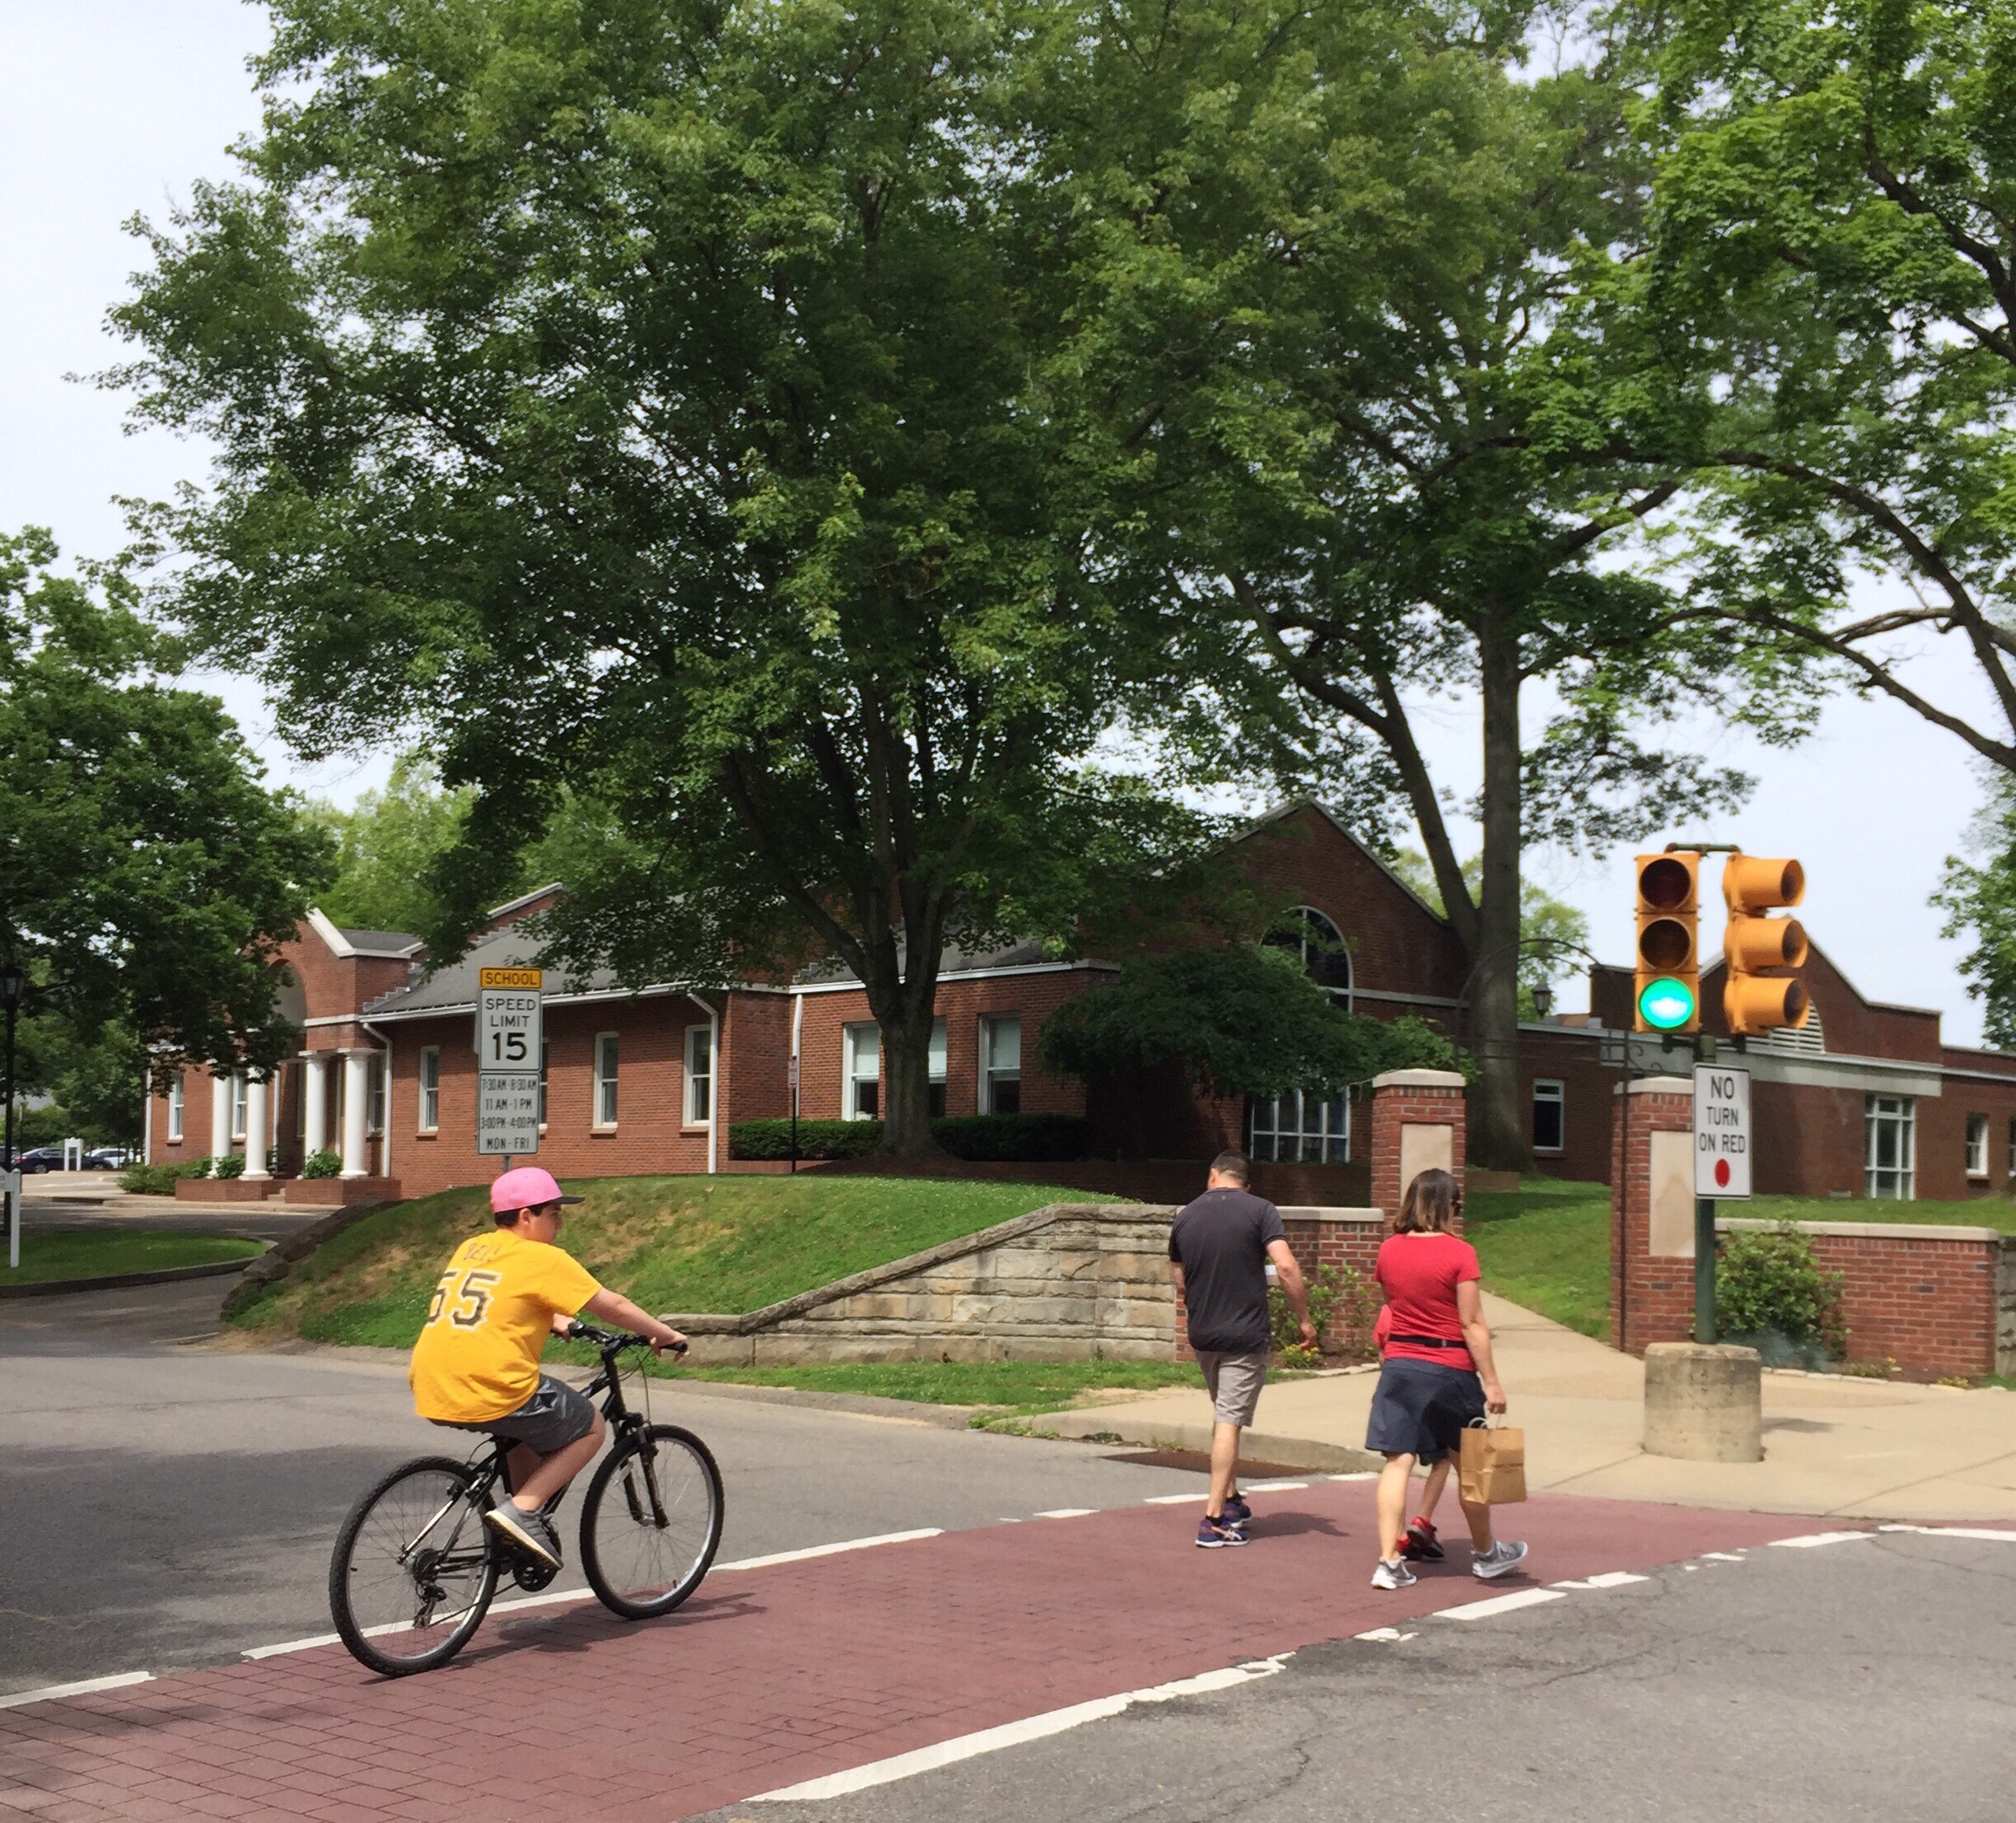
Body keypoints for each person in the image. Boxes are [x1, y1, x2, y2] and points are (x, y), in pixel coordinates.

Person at [409, 1164, 687, 1571]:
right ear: (526, 1216)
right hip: (492, 1385)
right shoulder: (542, 1257)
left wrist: (554, 1316)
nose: (560, 1225)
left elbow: (497, 1296)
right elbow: (614, 1306)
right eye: (554, 1215)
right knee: (591, 1426)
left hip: (433, 1382)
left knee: (521, 1429)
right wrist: (663, 1333)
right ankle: (522, 1510)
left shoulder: (473, 1248)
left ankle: (519, 1530)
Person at [1365, 1167, 1526, 1588]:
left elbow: (1393, 1307)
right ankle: (1488, 1552)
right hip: (1450, 1370)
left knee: (1396, 1462)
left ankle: (1388, 1562)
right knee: (1469, 1467)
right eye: (1457, 1205)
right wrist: (1491, 1380)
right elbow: (1471, 1322)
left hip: (1399, 1367)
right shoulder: (1460, 1253)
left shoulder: (1389, 1251)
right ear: (1448, 1206)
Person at [1169, 1149, 1316, 1547]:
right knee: (1230, 1421)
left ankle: (1232, 1499)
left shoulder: (1185, 1215)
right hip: (1244, 1335)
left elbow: (1179, 1275)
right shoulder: (1260, 1210)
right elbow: (1285, 1266)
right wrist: (1303, 1318)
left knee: (1223, 1417)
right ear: (1246, 1185)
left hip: (1204, 1333)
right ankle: (1213, 1519)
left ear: (1212, 1176)